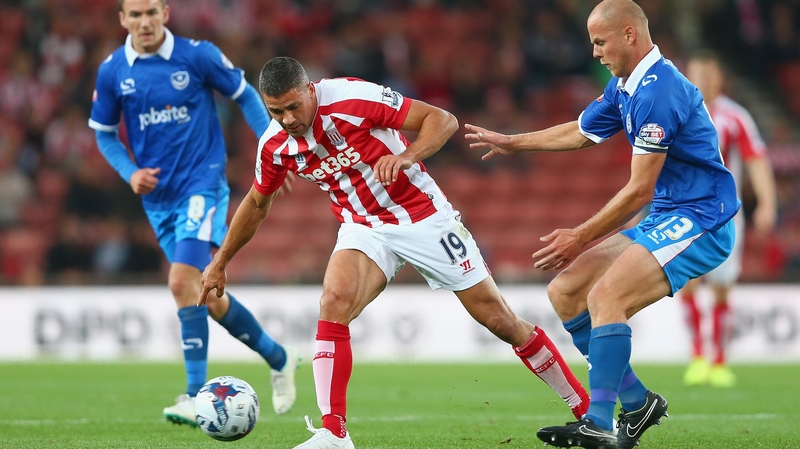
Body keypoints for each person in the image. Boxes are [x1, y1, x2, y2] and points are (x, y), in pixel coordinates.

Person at [200, 56, 590, 449]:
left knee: (500, 320)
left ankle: (586, 410)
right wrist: (220, 262)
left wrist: (407, 156)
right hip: (363, 226)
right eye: (275, 111)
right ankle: (334, 434)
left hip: (421, 216)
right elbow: (256, 203)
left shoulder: (352, 98)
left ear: (310, 90)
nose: (286, 119)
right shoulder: (274, 145)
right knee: (334, 300)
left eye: (292, 107)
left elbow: (443, 120)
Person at [465, 1, 739, 448]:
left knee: (606, 296)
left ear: (629, 34)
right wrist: (515, 142)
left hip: (702, 219)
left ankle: (598, 421)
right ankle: (637, 402)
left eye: (599, 41)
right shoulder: (625, 85)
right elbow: (580, 131)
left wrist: (579, 236)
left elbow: (638, 191)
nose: (594, 52)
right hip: (670, 215)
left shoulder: (659, 91)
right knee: (566, 291)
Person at [88, 0, 298, 426]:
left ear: (165, 13)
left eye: (151, 12)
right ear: (123, 20)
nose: (144, 21)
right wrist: (130, 173)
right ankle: (279, 357)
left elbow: (246, 96)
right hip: (158, 199)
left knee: (182, 280)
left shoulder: (198, 55)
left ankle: (191, 393)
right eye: (135, 14)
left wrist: (272, 147)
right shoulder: (112, 71)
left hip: (202, 183)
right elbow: (106, 135)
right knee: (207, 296)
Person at [680, 50, 777, 388]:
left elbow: (756, 160)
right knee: (688, 283)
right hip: (684, 215)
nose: (702, 81)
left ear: (720, 78)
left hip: (724, 218)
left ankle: (719, 361)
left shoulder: (735, 117)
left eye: (708, 75)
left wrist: (766, 202)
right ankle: (697, 356)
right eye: (696, 74)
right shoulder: (678, 112)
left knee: (721, 288)